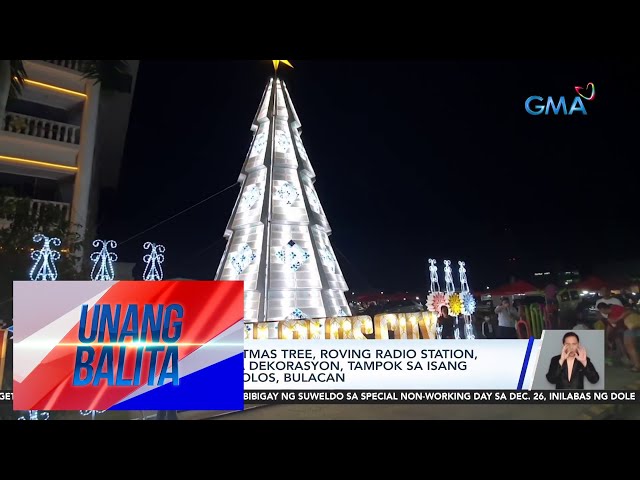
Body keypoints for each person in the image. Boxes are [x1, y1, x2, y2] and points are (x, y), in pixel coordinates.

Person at [597, 303, 640, 372]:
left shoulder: (614, 308)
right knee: (629, 347)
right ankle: (635, 364)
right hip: (628, 329)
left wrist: (617, 319)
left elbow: (628, 311)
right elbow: (610, 327)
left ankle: (637, 366)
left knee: (630, 347)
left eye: (600, 311)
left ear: (602, 309)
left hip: (630, 326)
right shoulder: (610, 316)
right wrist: (607, 338)